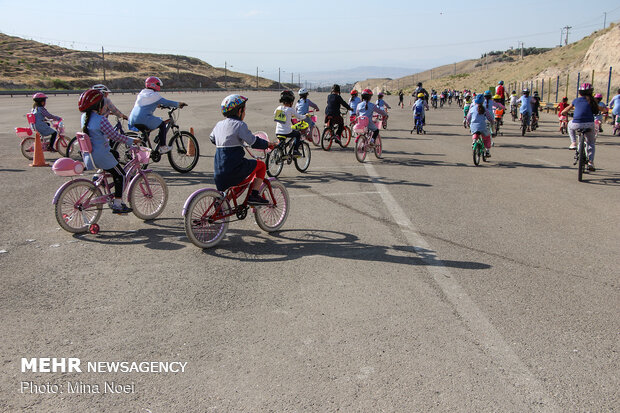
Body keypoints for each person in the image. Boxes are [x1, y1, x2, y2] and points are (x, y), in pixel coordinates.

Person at [78, 89, 139, 214]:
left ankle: (101, 180)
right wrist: (132, 140)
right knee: (121, 175)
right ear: (99, 105)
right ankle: (117, 203)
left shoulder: (84, 117)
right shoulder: (101, 120)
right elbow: (115, 136)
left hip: (89, 156)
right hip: (101, 156)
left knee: (115, 156)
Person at [210, 95, 275, 205]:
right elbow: (254, 142)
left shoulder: (218, 125)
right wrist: (268, 144)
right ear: (240, 111)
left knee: (241, 181)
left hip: (218, 171)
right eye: (244, 110)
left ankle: (224, 203)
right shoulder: (240, 125)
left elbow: (212, 139)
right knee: (261, 166)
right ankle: (254, 195)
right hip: (234, 168)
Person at [128, 76, 187, 154]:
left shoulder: (142, 93)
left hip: (133, 118)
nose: (159, 86)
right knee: (162, 124)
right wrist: (178, 104)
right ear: (153, 85)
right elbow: (167, 102)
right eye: (158, 84)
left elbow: (147, 103)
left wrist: (158, 105)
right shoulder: (154, 95)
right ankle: (163, 147)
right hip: (143, 118)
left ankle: (140, 149)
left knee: (146, 132)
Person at [561, 83, 600, 170]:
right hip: (590, 124)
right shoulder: (593, 101)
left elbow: (567, 109)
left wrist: (563, 112)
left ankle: (573, 142)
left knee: (570, 125)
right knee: (591, 143)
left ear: (580, 92)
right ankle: (590, 162)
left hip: (577, 124)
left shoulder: (576, 100)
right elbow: (598, 110)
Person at [274, 90, 304, 156]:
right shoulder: (291, 109)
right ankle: (295, 151)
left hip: (278, 131)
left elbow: (275, 115)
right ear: (291, 101)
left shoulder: (278, 108)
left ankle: (280, 153)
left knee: (281, 142)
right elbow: (299, 117)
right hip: (287, 131)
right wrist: (305, 116)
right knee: (298, 134)